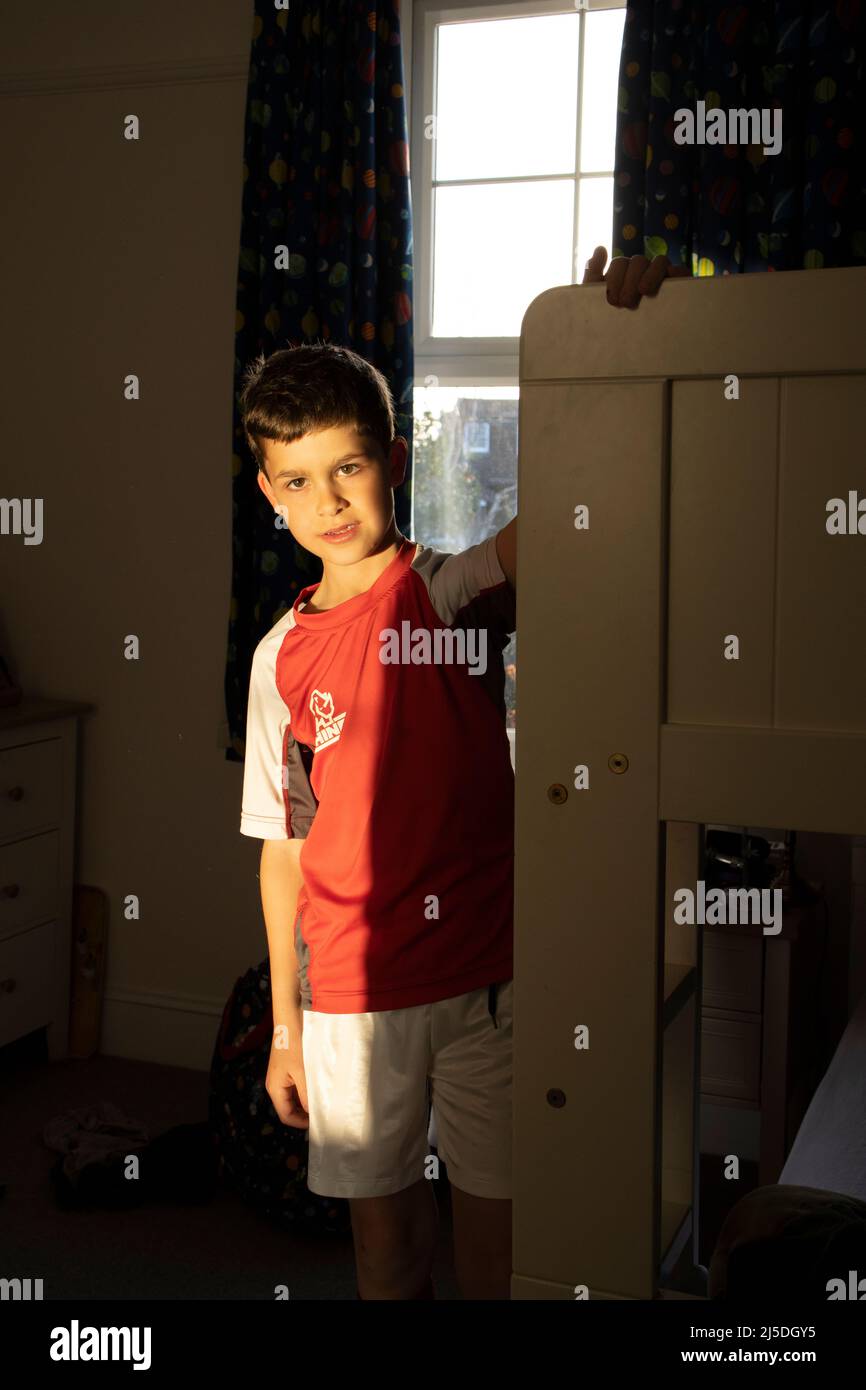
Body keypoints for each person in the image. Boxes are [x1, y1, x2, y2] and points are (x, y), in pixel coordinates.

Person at [238, 248, 687, 1300]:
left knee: (498, 1252)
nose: (327, 498)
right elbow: (282, 849)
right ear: (267, 490)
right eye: (297, 480)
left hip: (488, 981)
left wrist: (603, 345)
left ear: (393, 457)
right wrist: (286, 1025)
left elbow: (564, 526)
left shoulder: (445, 595)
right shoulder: (278, 657)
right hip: (351, 999)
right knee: (386, 1255)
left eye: (347, 467)